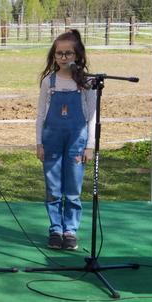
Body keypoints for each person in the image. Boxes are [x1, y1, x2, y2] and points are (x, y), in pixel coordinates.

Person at [36, 29, 96, 251]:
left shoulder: (87, 82)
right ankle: (55, 229)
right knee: (53, 187)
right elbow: (41, 114)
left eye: (68, 53)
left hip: (77, 140)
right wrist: (38, 142)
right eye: (59, 53)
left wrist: (90, 145)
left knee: (73, 186)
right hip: (51, 138)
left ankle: (70, 229)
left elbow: (91, 115)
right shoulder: (48, 82)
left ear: (77, 56)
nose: (63, 58)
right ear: (54, 56)